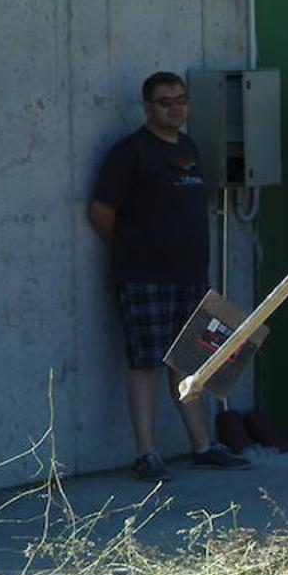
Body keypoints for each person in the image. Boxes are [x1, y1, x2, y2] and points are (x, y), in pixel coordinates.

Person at [87, 72, 251, 481]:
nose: (175, 107)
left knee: (190, 363)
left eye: (181, 100)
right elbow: (101, 213)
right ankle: (146, 453)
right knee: (145, 361)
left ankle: (202, 445)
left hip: (190, 276)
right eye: (165, 102)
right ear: (148, 107)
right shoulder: (131, 152)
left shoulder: (190, 147)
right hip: (144, 277)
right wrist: (134, 250)